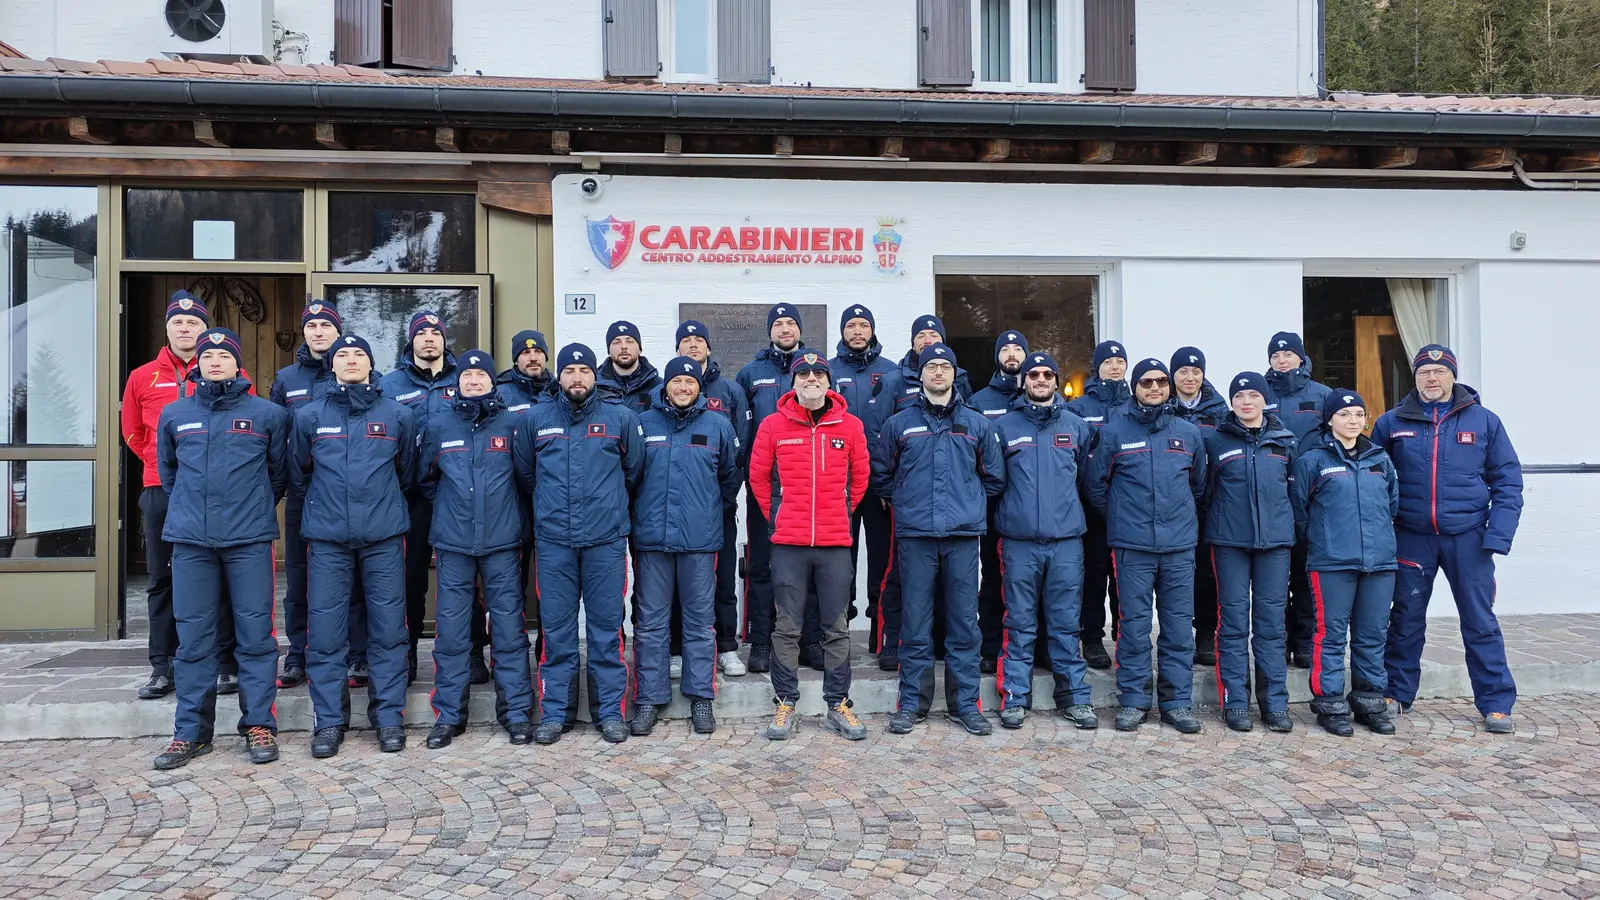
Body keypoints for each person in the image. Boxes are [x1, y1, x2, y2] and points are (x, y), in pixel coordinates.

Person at [151, 328, 289, 770]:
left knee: (256, 637)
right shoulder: (174, 414)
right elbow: (169, 475)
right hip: (191, 541)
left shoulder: (268, 415)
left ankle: (259, 725)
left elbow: (279, 475)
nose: (214, 361)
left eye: (223, 355)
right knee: (193, 639)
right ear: (197, 363)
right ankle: (191, 733)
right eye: (207, 355)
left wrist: (249, 509)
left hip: (249, 541)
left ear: (237, 363)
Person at [1372, 345, 1524, 734]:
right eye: (1424, 372)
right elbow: (1373, 481)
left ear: (1453, 376)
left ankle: (1496, 703)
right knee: (1405, 619)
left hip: (1469, 539)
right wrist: (1383, 532)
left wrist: (1498, 535)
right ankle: (1395, 693)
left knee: (1480, 621)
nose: (1432, 378)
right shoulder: (1391, 423)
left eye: (1440, 372)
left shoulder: (1485, 421)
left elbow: (1507, 481)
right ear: (1415, 377)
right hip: (1412, 537)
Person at [293, 334, 418, 758]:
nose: (350, 360)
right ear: (331, 365)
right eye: (342, 355)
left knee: (389, 632)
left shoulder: (398, 415)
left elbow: (407, 472)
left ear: (371, 363)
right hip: (327, 541)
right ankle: (329, 722)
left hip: (383, 538)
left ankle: (389, 719)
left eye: (358, 354)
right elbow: (299, 473)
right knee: (326, 635)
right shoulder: (309, 416)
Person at [513, 343, 644, 745]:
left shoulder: (620, 418)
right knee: (557, 633)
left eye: (584, 370)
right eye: (569, 371)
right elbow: (526, 475)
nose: (576, 377)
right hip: (555, 543)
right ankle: (556, 713)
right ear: (559, 375)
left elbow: (633, 472)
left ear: (594, 375)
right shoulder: (535, 419)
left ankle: (610, 713)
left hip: (605, 542)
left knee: (607, 631)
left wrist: (606, 507)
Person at [873, 343, 1006, 737]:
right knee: (915, 623)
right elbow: (881, 475)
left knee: (964, 624)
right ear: (921, 375)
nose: (937, 373)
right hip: (916, 536)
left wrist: (966, 503)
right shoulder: (899, 424)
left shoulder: (976, 424)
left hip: (962, 537)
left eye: (944, 367)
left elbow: (994, 477)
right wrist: (908, 502)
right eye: (930, 366)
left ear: (954, 374)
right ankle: (912, 704)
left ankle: (965, 705)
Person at [120, 291, 239, 700]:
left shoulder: (224, 368)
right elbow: (133, 432)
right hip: (160, 490)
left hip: (214, 492)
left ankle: (225, 663)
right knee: (162, 579)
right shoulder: (142, 377)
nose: (185, 329)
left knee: (220, 576)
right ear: (167, 327)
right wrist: (162, 465)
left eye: (193, 323)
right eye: (178, 322)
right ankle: (163, 665)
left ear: (204, 329)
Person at [750, 352, 872, 741]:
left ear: (829, 382)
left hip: (835, 543)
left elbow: (860, 477)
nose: (811, 378)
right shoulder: (772, 425)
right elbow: (759, 477)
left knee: (836, 627)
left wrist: (840, 511)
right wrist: (779, 516)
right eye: (803, 373)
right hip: (789, 543)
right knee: (786, 627)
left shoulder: (850, 426)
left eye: (819, 373)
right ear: (793, 382)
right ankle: (785, 700)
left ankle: (838, 703)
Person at [418, 350, 536, 748]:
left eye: (480, 375)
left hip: (502, 542)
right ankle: (449, 716)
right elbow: (424, 479)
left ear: (492, 381)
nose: (473, 381)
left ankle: (516, 713)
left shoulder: (513, 425)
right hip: (453, 544)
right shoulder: (438, 425)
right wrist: (454, 511)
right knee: (452, 633)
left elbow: (526, 478)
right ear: (458, 384)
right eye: (467, 376)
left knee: (509, 630)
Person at [1084, 358, 1207, 735]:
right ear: (1134, 387)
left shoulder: (1189, 433)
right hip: (1132, 547)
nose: (1154, 388)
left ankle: (1177, 702)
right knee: (1134, 628)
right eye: (1146, 382)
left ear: (1169, 387)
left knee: (1178, 629)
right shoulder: (1113, 432)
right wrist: (1123, 518)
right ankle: (1134, 701)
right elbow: (1095, 486)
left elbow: (1198, 486)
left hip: (1178, 548)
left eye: (1161, 382)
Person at [629, 356, 741, 737]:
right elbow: (631, 475)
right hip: (652, 540)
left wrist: (705, 513)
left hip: (699, 541)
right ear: (665, 386)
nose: (683, 387)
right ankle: (649, 697)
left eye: (690, 382)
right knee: (650, 624)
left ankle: (701, 697)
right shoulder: (644, 425)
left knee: (699, 623)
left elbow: (729, 477)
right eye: (676, 381)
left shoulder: (718, 426)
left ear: (699, 387)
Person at [990, 352, 1099, 731]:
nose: (1040, 380)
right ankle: (1015, 697)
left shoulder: (1077, 428)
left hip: (1066, 542)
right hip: (1019, 543)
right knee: (1019, 623)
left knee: (1066, 623)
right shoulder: (1003, 428)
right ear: (1023, 381)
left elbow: (1084, 479)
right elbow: (994, 482)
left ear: (1056, 380)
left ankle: (1075, 698)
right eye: (1033, 374)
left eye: (1047, 374)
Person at [1290, 390, 1400, 737]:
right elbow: (1299, 511)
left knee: (1372, 635)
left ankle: (1369, 702)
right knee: (1331, 635)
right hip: (1332, 563)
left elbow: (1392, 505)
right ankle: (1330, 704)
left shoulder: (1380, 459)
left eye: (1358, 415)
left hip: (1379, 563)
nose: (1352, 421)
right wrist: (1323, 541)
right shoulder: (1313, 461)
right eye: (1344, 414)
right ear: (1330, 419)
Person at [378, 311, 478, 685]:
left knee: (467, 577)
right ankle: (407, 653)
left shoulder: (464, 378)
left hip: (457, 494)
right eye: (422, 333)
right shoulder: (390, 385)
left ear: (444, 339)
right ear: (412, 340)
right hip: (410, 496)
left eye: (435, 332)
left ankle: (473, 651)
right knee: (410, 578)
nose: (429, 338)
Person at [268, 300, 363, 691]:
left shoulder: (353, 370)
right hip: (302, 495)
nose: (319, 331)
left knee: (351, 580)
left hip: (347, 499)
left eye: (326, 325)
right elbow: (276, 439)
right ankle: (298, 655)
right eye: (312, 326)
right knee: (299, 578)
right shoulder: (286, 379)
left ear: (338, 331)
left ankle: (356, 655)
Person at [872, 315, 975, 670]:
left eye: (935, 335)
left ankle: (943, 647)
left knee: (954, 593)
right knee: (899, 579)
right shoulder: (893, 382)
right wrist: (898, 493)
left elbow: (983, 465)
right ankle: (891, 642)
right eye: (922, 335)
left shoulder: (965, 391)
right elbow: (880, 441)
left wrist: (967, 496)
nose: (928, 340)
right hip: (913, 511)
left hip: (955, 513)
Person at [1201, 372, 1297, 733]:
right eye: (1239, 396)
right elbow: (1204, 491)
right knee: (1233, 623)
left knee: (1272, 625)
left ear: (1264, 400)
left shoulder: (1285, 441)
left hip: (1275, 545)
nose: (1246, 401)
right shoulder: (1216, 441)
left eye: (1253, 395)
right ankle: (1236, 701)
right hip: (1230, 544)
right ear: (1231, 402)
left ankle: (1274, 703)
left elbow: (1295, 494)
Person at [735, 304, 821, 674]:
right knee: (761, 563)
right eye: (778, 324)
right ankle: (760, 640)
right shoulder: (750, 373)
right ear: (769, 331)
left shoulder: (815, 369)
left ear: (799, 329)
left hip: (807, 483)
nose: (785, 328)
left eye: (791, 323)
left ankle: (810, 639)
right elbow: (742, 429)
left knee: (810, 564)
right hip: (765, 484)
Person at [673, 320, 750, 678]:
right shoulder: (668, 389)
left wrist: (723, 498)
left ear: (708, 347)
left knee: (723, 578)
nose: (692, 345)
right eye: (686, 340)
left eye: (698, 340)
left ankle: (727, 647)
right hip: (677, 510)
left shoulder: (731, 391)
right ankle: (676, 649)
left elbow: (740, 452)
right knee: (677, 583)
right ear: (677, 349)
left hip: (718, 507)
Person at [828, 305, 898, 658]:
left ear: (872, 330)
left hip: (878, 480)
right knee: (840, 557)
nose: (857, 331)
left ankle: (881, 634)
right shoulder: (827, 371)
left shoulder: (892, 372)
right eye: (851, 325)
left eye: (863, 325)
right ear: (842, 331)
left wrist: (890, 479)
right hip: (838, 480)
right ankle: (837, 633)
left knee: (883, 556)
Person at [1264, 330, 1333, 670]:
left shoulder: (1322, 395)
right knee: (1275, 576)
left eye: (1288, 354)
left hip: (1311, 494)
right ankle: (1277, 640)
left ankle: (1304, 640)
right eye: (1276, 356)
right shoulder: (1259, 394)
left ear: (1301, 358)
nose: (1282, 360)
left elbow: (1335, 438)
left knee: (1306, 571)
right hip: (1271, 494)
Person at [967, 330, 1031, 674]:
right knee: (993, 576)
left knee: (1033, 582)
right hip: (994, 505)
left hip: (1032, 505)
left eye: (1018, 348)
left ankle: (1038, 647)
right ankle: (991, 646)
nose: (1012, 354)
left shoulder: (1041, 394)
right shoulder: (980, 401)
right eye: (1005, 349)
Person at [1067, 339, 1130, 671]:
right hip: (1091, 509)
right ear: (1097, 367)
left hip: (1130, 509)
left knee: (1125, 579)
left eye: (1120, 361)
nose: (1115, 367)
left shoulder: (1135, 404)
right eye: (1108, 362)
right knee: (1093, 576)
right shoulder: (1079, 408)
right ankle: (1091, 638)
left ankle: (1125, 638)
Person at [1170, 346, 1228, 669]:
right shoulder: (1163, 405)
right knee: (1176, 574)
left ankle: (1205, 634)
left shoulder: (1218, 411)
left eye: (1196, 372)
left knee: (1207, 572)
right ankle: (1176, 636)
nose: (1189, 378)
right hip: (1175, 502)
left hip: (1210, 502)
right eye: (1183, 372)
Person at [597, 320, 662, 414]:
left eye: (629, 341)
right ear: (609, 351)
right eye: (617, 342)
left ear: (640, 349)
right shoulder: (596, 387)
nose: (624, 346)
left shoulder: (658, 387)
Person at [497, 329, 555, 412]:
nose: (533, 358)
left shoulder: (559, 391)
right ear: (516, 360)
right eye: (526, 352)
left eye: (538, 351)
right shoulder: (498, 395)